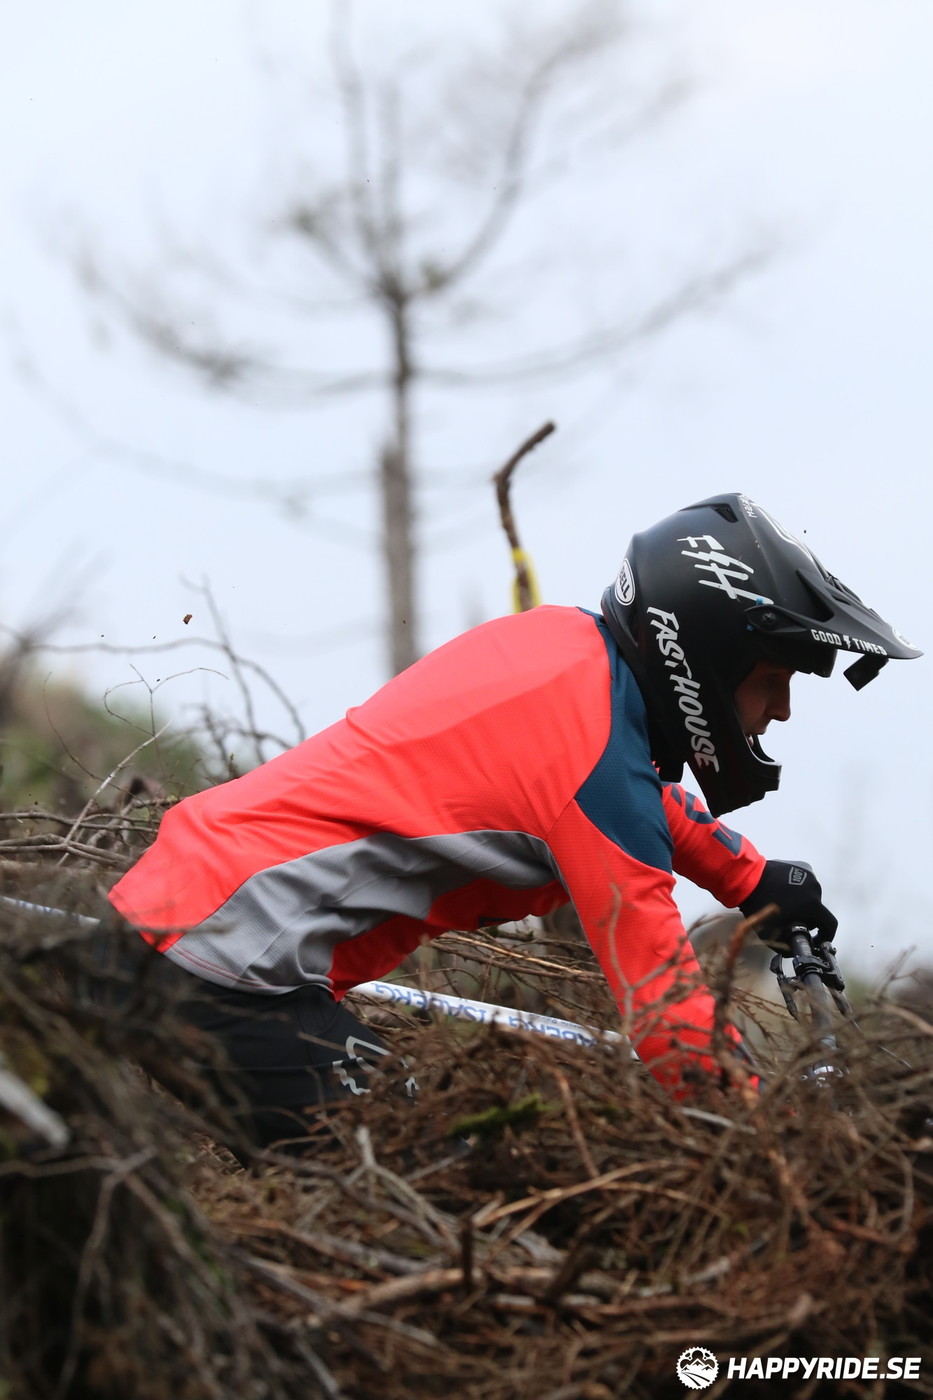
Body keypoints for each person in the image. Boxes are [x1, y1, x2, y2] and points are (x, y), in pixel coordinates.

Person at [107, 492, 920, 1149]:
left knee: (433, 1146)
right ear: (699, 657)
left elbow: (621, 787)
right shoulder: (593, 767)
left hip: (197, 910)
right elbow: (673, 1028)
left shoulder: (568, 653)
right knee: (452, 1171)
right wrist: (791, 1141)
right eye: (772, 680)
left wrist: (745, 875)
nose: (777, 711)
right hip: (224, 961)